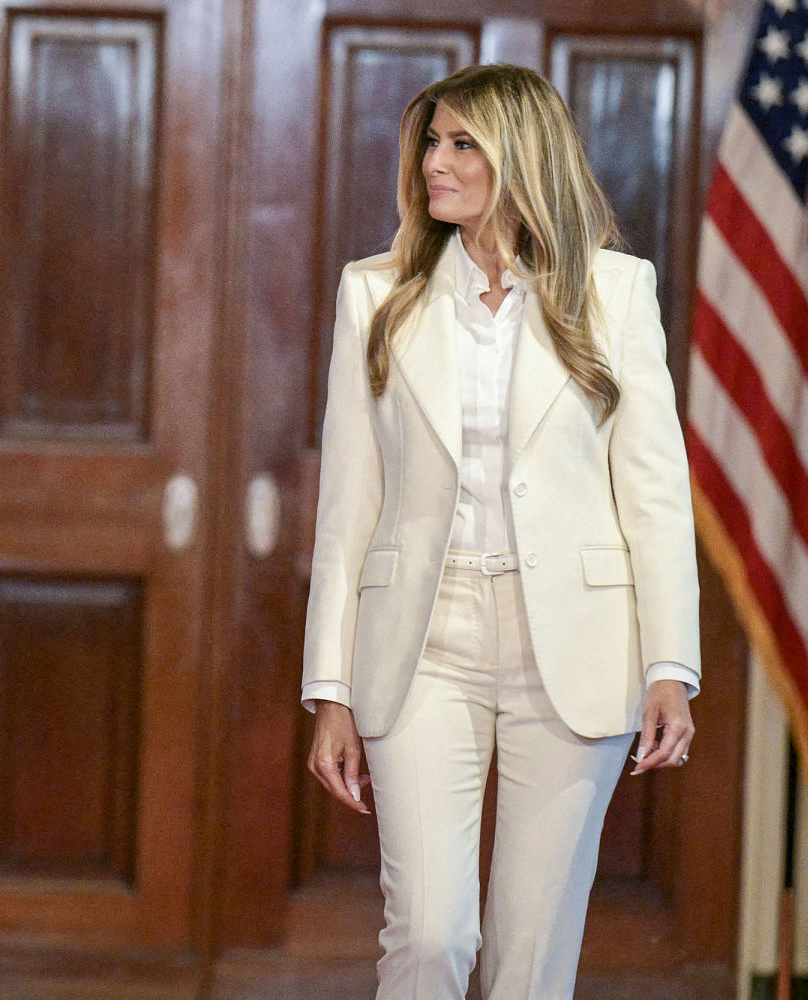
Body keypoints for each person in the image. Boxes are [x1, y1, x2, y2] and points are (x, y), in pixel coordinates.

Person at [301, 64, 700, 999]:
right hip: (422, 642)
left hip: (574, 643)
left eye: (460, 144)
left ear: (521, 155)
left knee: (531, 962)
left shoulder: (616, 291)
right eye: (430, 143)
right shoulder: (375, 293)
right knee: (430, 934)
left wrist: (670, 666)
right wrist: (330, 690)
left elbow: (654, 494)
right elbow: (348, 504)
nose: (433, 163)